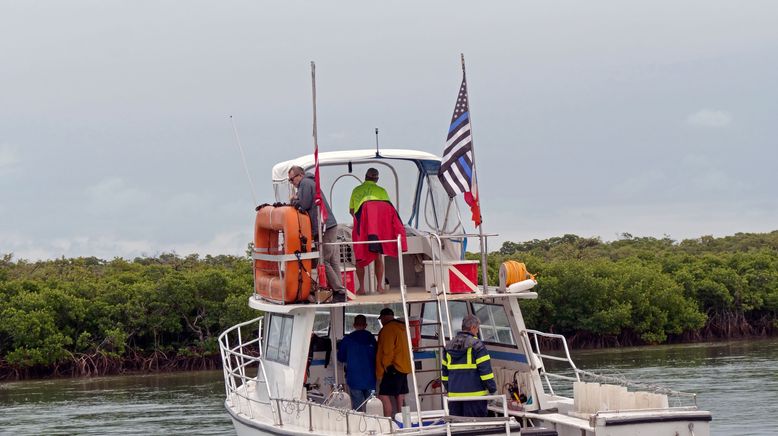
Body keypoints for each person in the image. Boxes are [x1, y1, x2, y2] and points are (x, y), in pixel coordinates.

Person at [288, 165, 346, 301]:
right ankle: (340, 290)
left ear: (299, 176)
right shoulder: (310, 182)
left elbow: (304, 204)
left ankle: (339, 290)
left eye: (292, 179)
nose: (292, 183)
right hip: (329, 225)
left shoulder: (305, 184)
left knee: (324, 260)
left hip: (325, 227)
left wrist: (293, 200)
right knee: (332, 260)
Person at [349, 168, 395, 294]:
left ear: (365, 177)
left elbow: (352, 211)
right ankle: (379, 286)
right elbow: (387, 210)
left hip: (360, 229)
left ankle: (362, 288)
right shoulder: (382, 191)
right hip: (376, 229)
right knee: (378, 256)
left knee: (359, 257)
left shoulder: (356, 190)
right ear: (377, 179)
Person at [441, 314, 497, 417]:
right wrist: (493, 390)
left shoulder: (448, 347)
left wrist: (451, 389)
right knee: (476, 429)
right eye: (477, 329)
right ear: (472, 328)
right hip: (475, 398)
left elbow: (444, 375)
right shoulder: (478, 346)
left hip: (454, 399)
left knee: (457, 430)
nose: (477, 332)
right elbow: (486, 373)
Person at [375, 307, 411, 417]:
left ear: (385, 318)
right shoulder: (403, 328)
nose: (381, 321)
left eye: (381, 319)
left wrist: (386, 366)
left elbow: (387, 350)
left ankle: (389, 421)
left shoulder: (387, 329)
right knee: (400, 395)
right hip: (405, 367)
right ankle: (403, 421)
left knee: (383, 395)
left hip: (393, 367)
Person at [337, 314, 377, 411]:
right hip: (370, 378)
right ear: (366, 325)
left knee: (358, 407)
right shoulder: (371, 338)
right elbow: (377, 355)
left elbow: (341, 357)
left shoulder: (347, 339)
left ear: (354, 325)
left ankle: (359, 424)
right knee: (372, 407)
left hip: (354, 378)